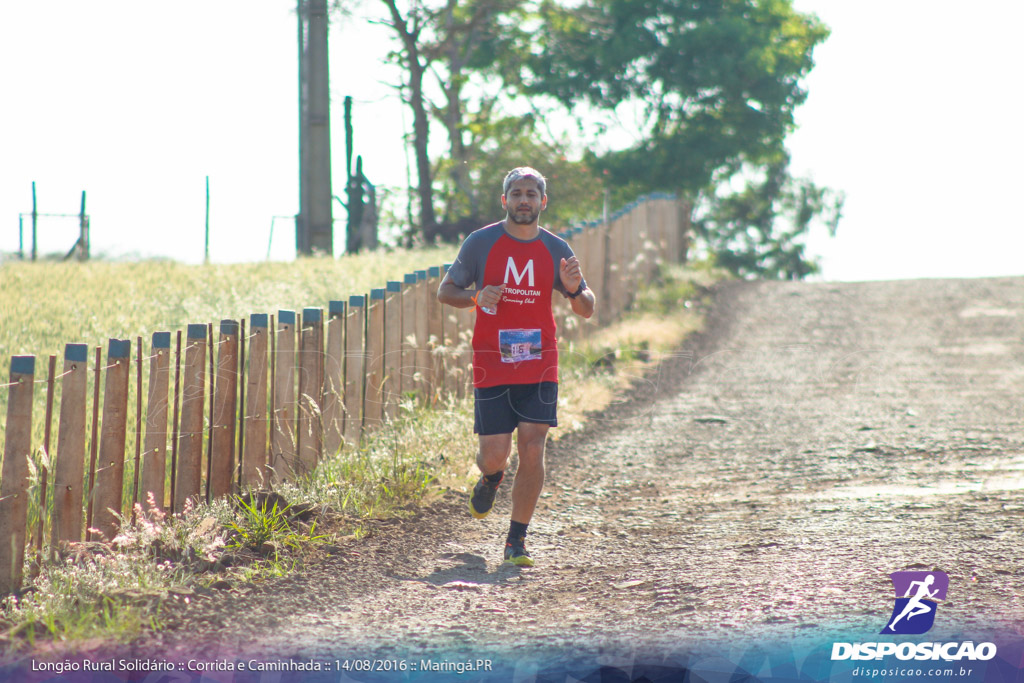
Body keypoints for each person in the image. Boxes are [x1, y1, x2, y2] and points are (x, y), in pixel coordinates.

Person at [437, 167, 596, 567]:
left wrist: (575, 288)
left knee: (532, 446)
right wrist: (477, 296)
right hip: (493, 361)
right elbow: (445, 292)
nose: (523, 200)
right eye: (516, 193)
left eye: (531, 194)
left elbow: (586, 308)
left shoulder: (558, 248)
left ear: (543, 202)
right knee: (494, 454)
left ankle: (516, 541)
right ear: (504, 200)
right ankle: (491, 478)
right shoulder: (481, 242)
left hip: (540, 362)